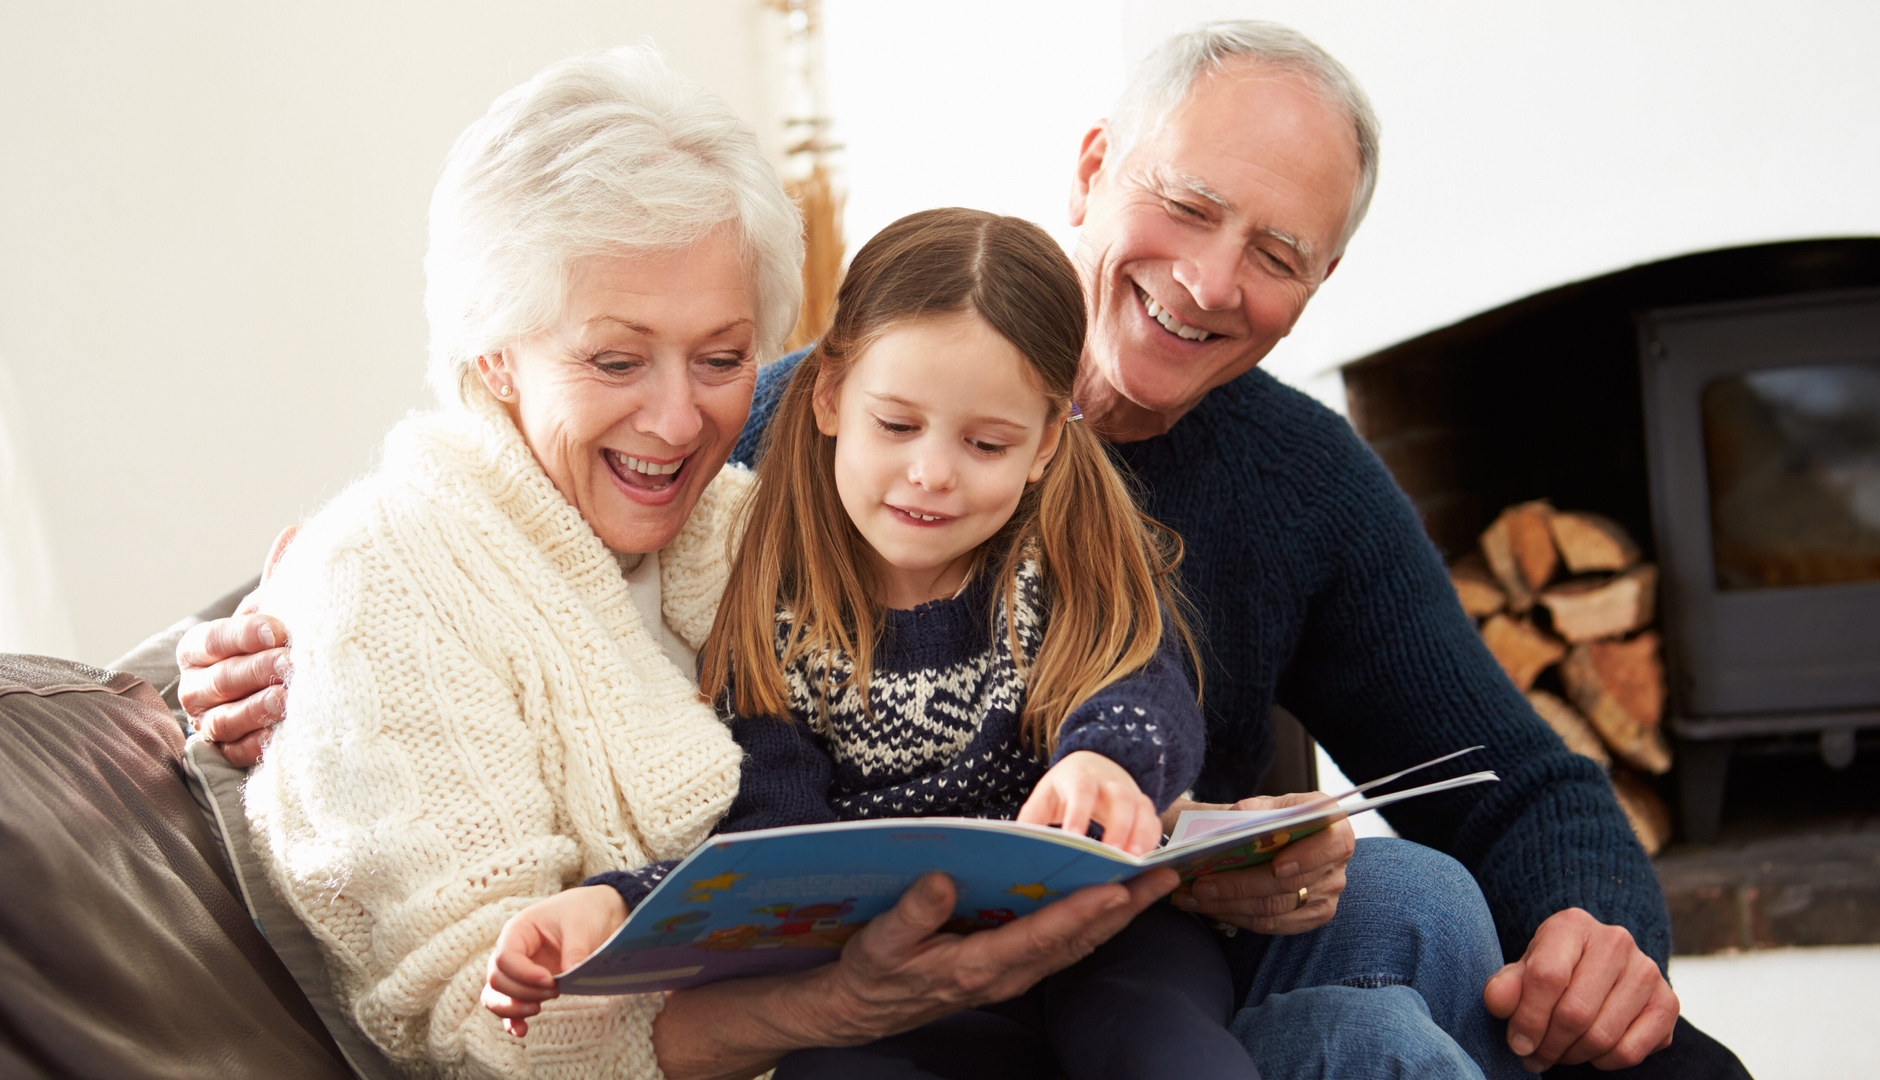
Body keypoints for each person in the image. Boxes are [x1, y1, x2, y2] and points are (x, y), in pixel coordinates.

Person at [181, 20, 1750, 1079]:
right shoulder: (791, 443)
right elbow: (500, 501)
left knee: (1515, 963)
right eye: (1186, 206)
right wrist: (261, 627)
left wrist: (1595, 934)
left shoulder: (1299, 478)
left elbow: (1511, 776)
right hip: (887, 983)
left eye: (1277, 254)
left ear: (1323, 282)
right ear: (1088, 172)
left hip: (1136, 935)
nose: (1209, 282)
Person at [235, 49, 1183, 1080]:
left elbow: (1050, 656)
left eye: (724, 359)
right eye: (615, 360)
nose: (682, 420)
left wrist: (1185, 816)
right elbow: (477, 1024)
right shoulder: (384, 578)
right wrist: (827, 1008)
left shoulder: (753, 525)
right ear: (492, 351)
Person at [485, 207, 1255, 1080]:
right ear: (827, 399)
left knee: (1158, 1038)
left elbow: (1141, 695)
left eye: (986, 443)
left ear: (1044, 443)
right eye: (896, 426)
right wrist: (613, 907)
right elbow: (769, 842)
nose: (932, 471)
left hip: (1105, 945)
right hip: (901, 983)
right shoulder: (776, 614)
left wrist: (1106, 765)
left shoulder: (1058, 563)